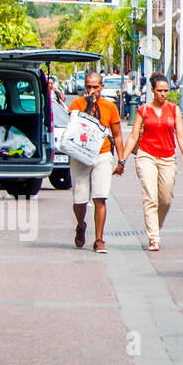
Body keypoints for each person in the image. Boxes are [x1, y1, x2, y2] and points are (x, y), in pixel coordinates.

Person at [119, 73, 183, 252]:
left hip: (167, 157)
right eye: (159, 91)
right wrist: (122, 159)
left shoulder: (174, 109)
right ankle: (154, 237)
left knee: (165, 199)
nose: (163, 94)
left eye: (166, 91)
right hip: (146, 155)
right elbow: (134, 135)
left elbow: (180, 133)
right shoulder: (144, 110)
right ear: (152, 90)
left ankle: (155, 226)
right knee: (150, 197)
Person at [68, 71, 125, 254]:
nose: (92, 90)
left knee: (100, 197)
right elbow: (74, 127)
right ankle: (80, 224)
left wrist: (121, 159)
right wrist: (89, 106)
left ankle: (99, 239)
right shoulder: (77, 104)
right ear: (85, 87)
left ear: (102, 87)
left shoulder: (110, 107)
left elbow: (117, 135)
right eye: (89, 87)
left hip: (102, 155)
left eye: (96, 87)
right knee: (80, 199)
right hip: (81, 156)